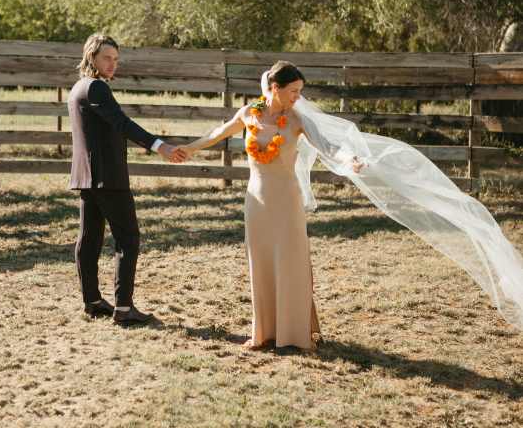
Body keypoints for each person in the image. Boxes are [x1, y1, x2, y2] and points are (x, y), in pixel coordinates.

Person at [177, 61, 363, 350]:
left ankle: (295, 334)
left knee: (291, 263)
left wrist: (348, 160)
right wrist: (189, 148)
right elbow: (218, 133)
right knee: (261, 263)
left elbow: (328, 147)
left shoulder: (297, 119)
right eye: (293, 91)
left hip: (287, 201)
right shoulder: (249, 114)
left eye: (300, 91)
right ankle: (263, 333)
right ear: (274, 88)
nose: (298, 97)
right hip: (257, 200)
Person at [68, 34, 186, 326]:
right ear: (92, 56)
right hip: (108, 177)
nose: (112, 64)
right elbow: (123, 124)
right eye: (107, 58)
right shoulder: (95, 88)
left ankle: (93, 301)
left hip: (87, 175)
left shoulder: (78, 88)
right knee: (128, 239)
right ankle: (123, 309)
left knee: (90, 238)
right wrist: (161, 146)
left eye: (116, 59)